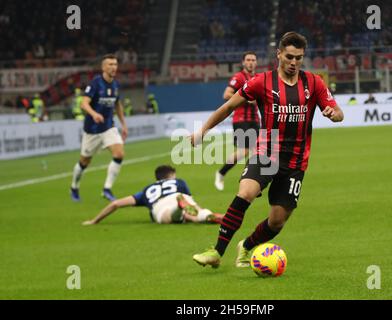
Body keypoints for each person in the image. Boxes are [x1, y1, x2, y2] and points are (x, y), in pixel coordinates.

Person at [190, 31, 344, 268]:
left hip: (296, 162)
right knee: (246, 193)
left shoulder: (314, 82)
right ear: (279, 54)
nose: (293, 63)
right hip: (267, 152)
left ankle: (247, 246)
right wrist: (203, 130)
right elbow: (229, 105)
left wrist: (334, 114)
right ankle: (217, 252)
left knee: (277, 222)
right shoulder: (262, 82)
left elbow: (338, 112)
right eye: (289, 57)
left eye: (299, 58)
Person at [70, 54, 128, 202]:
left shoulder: (115, 84)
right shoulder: (96, 83)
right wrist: (94, 114)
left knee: (119, 154)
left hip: (109, 126)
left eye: (115, 64)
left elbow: (117, 105)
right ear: (103, 67)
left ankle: (107, 189)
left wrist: (124, 124)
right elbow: (84, 103)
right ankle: (74, 187)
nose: (113, 67)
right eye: (110, 64)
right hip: (92, 129)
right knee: (84, 162)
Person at [82, 165, 223, 225]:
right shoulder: (178, 182)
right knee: (194, 211)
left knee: (169, 217)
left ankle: (179, 209)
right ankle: (207, 215)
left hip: (159, 205)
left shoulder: (147, 190)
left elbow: (115, 204)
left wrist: (95, 220)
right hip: (178, 196)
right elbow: (191, 200)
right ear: (172, 175)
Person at [215, 51, 260, 191]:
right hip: (241, 119)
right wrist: (247, 98)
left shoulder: (259, 78)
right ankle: (221, 173)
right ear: (243, 62)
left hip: (255, 120)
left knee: (259, 151)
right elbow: (226, 94)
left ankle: (251, 180)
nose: (251, 62)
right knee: (245, 151)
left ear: (256, 62)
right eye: (248, 59)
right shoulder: (239, 77)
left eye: (253, 59)